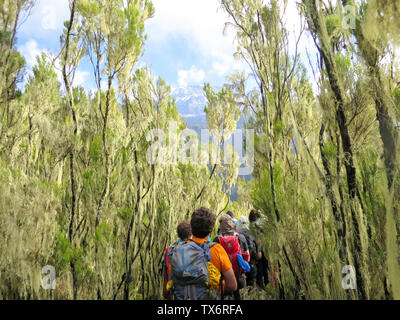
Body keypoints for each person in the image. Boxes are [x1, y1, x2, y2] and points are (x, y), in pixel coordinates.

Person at [168, 207, 237, 300]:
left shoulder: (179, 249)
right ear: (211, 229)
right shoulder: (217, 250)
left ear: (191, 228)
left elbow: (172, 281)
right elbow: (232, 285)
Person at [213, 214, 250, 300]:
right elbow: (247, 257)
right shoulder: (240, 237)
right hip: (239, 276)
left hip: (224, 279)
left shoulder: (217, 240)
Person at [160, 221, 192, 299]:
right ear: (191, 234)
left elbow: (165, 272)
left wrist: (166, 292)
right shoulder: (197, 249)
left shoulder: (170, 249)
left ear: (178, 235)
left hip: (174, 291)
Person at [237, 215, 262, 287]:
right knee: (251, 287)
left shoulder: (236, 235)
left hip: (240, 267)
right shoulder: (252, 234)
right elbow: (258, 251)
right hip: (252, 264)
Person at [249, 209, 269, 288]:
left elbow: (257, 238)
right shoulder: (261, 222)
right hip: (265, 248)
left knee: (260, 267)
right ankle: (266, 283)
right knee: (265, 266)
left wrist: (259, 250)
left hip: (259, 249)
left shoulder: (253, 225)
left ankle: (261, 285)